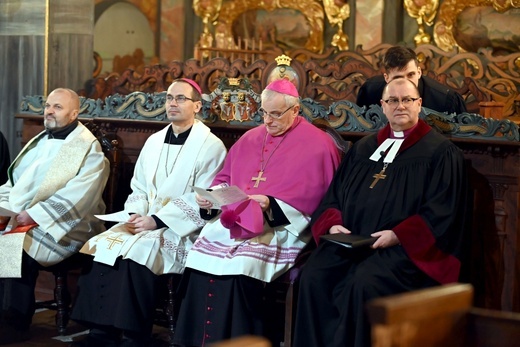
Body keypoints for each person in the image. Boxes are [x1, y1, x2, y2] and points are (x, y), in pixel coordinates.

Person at [293, 78, 468, 347]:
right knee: (314, 275)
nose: (400, 106)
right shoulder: (363, 148)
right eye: (393, 101)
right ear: (382, 106)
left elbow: (443, 213)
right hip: (352, 242)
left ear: (419, 104)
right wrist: (333, 224)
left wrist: (398, 235)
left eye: (407, 100)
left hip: (402, 251)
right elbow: (334, 197)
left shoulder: (440, 153)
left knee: (363, 284)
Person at [173, 78, 341, 346]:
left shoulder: (319, 145)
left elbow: (324, 201)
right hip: (234, 222)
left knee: (242, 265)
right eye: (263, 113)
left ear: (295, 110)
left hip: (278, 229)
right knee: (197, 259)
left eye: (275, 114)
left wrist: (271, 205)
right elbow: (224, 179)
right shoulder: (250, 138)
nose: (268, 121)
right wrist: (212, 198)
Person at [70, 79, 227, 346]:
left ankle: (134, 335)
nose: (172, 103)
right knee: (102, 246)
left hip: (180, 228)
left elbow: (206, 199)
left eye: (180, 98)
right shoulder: (154, 141)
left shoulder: (211, 147)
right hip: (144, 221)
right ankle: (100, 332)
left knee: (137, 255)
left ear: (197, 105)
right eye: (168, 98)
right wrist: (134, 214)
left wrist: (157, 220)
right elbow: (139, 186)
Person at [0, 88, 109, 344]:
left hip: (67, 225)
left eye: (57, 107)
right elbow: (13, 182)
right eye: (48, 105)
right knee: (6, 236)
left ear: (74, 113)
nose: (49, 110)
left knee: (16, 244)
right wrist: (4, 207)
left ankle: (13, 320)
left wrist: (34, 215)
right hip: (24, 217)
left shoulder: (84, 147)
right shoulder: (40, 140)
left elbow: (79, 196)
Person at [356, 45, 467, 114]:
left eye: (410, 75)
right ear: (387, 78)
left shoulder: (447, 100)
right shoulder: (369, 92)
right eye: (398, 77)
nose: (406, 82)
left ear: (419, 72)